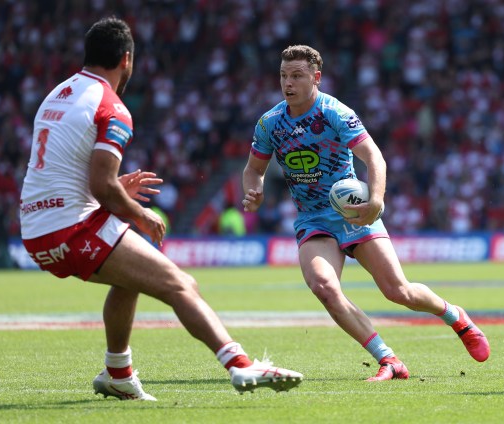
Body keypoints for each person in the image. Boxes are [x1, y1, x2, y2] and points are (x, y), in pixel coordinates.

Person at [19, 17, 302, 401]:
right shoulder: (112, 106)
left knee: (131, 277)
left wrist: (117, 190)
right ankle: (240, 364)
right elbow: (101, 187)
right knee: (180, 284)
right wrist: (139, 212)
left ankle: (118, 372)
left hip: (35, 231)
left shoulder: (57, 94)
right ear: (127, 60)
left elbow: (67, 173)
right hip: (72, 228)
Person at [242, 45, 490, 381]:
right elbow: (253, 169)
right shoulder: (270, 123)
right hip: (313, 219)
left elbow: (374, 158)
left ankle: (455, 316)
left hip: (354, 212)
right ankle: (389, 360)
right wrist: (253, 191)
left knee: (398, 291)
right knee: (324, 288)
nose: (288, 83)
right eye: (284, 76)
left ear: (316, 78)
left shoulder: (336, 113)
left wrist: (376, 201)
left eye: (297, 76)